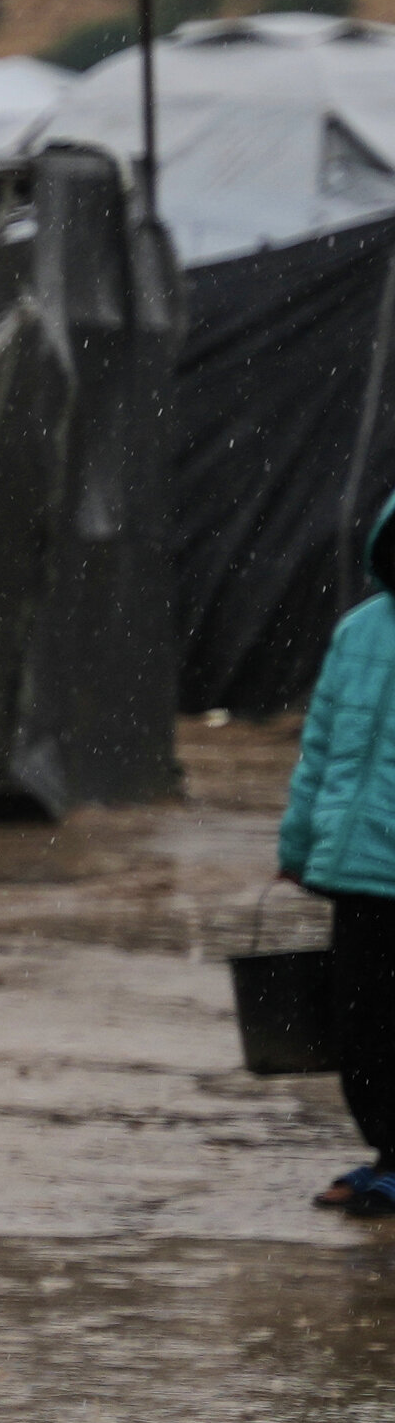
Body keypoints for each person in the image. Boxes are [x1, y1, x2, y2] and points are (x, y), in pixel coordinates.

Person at [279, 488, 395, 1219]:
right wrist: (297, 845)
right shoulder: (358, 633)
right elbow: (318, 749)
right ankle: (386, 1149)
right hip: (359, 873)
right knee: (362, 1025)